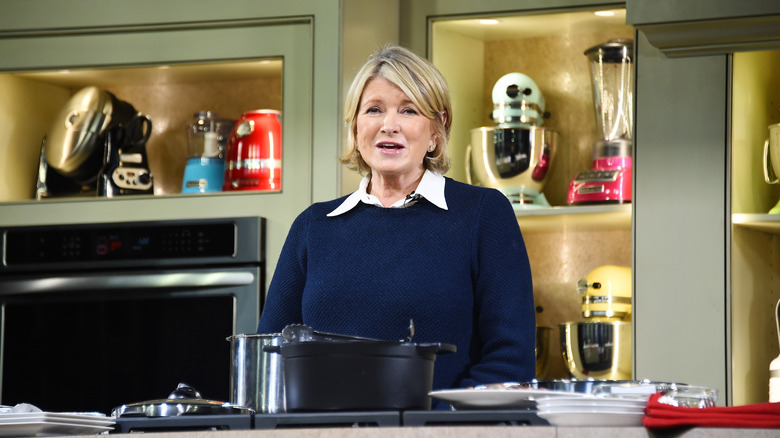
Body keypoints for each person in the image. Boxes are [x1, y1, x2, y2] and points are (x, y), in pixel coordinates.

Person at [257, 45, 536, 397]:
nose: (389, 125)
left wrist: (434, 425)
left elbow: (511, 360)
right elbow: (269, 358)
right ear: (356, 129)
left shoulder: (482, 214)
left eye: (409, 110)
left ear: (437, 130)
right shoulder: (313, 226)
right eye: (374, 110)